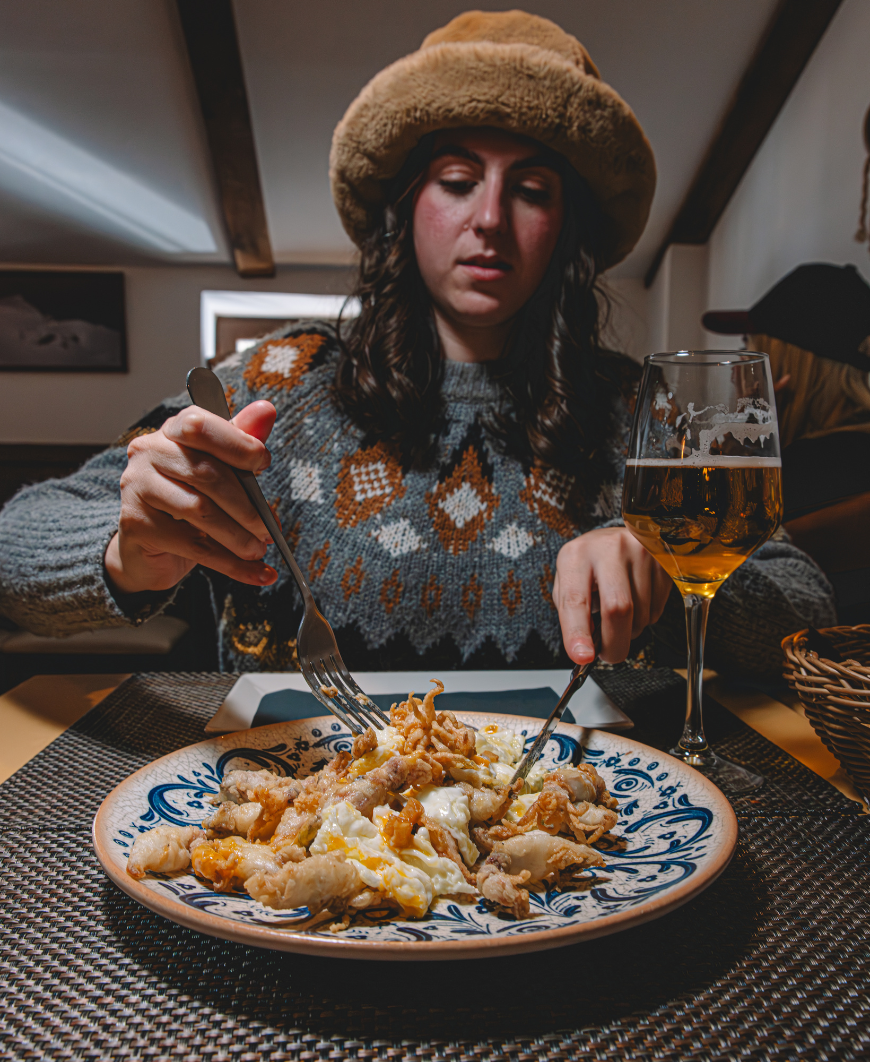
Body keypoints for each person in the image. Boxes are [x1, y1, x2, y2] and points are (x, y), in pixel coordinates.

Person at [0, 10, 835, 679]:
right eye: (459, 180)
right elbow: (16, 545)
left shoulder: (643, 410)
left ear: (566, 232)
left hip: (590, 847)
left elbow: (808, 612)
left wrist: (677, 560)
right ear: (405, 209)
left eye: (533, 190)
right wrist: (124, 551)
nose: (489, 220)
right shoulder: (269, 382)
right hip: (291, 833)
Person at [704, 262, 870, 623]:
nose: (736, 371)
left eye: (748, 348)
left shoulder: (797, 473)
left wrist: (740, 446)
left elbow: (697, 562)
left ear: (788, 366)